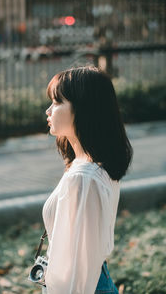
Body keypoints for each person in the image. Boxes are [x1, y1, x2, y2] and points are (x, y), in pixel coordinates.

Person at [42, 65, 133, 294]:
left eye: (57, 102)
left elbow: (76, 272)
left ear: (83, 109)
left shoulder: (84, 178)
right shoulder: (92, 166)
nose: (48, 110)